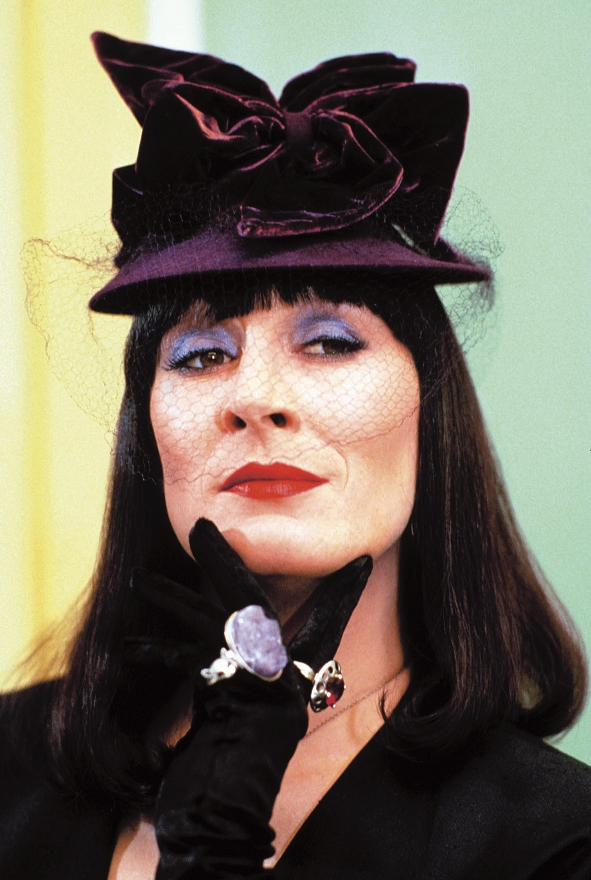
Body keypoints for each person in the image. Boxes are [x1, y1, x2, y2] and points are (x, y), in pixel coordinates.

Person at [1, 31, 590, 880]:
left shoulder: (552, 841)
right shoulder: (10, 763)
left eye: (330, 342)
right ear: (146, 434)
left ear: (430, 413)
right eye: (201, 354)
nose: (255, 396)